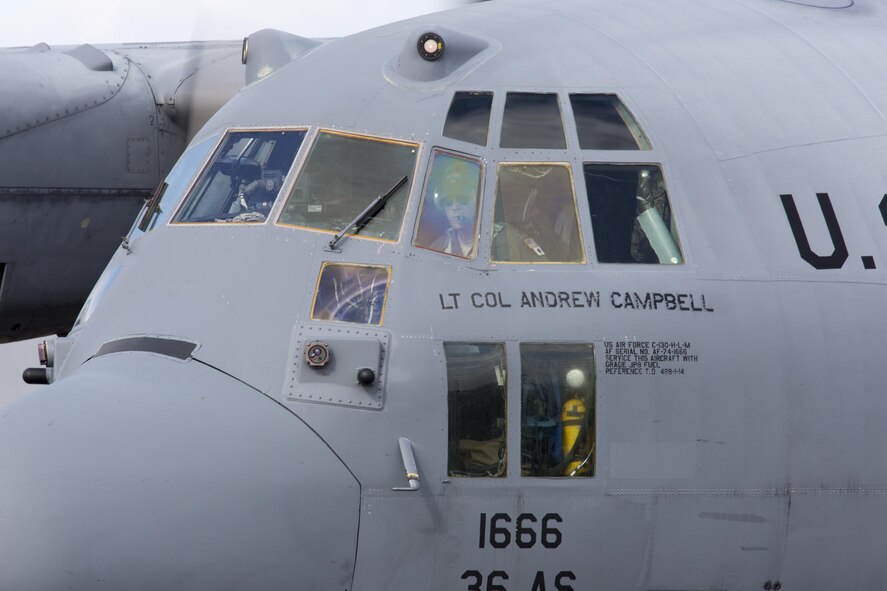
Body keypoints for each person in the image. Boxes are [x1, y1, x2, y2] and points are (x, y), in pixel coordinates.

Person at [427, 158, 479, 257]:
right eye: (448, 202)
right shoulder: (437, 248)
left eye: (462, 199)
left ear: (477, 201)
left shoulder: (503, 240)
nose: (455, 207)